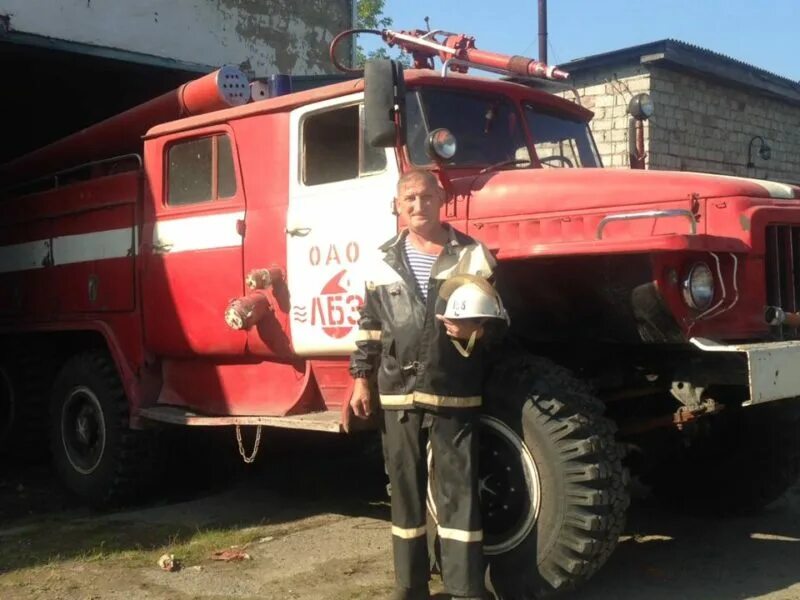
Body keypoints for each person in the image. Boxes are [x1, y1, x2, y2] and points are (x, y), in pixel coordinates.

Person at [348, 169, 504, 600]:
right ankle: (409, 585)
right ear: (398, 206)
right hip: (397, 390)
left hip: (454, 387)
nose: (419, 206)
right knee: (404, 490)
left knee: (458, 491)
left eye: (427, 197)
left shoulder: (473, 255)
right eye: (410, 199)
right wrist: (361, 380)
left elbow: (503, 322)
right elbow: (370, 328)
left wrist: (476, 331)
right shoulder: (379, 262)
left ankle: (465, 587)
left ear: (442, 200)